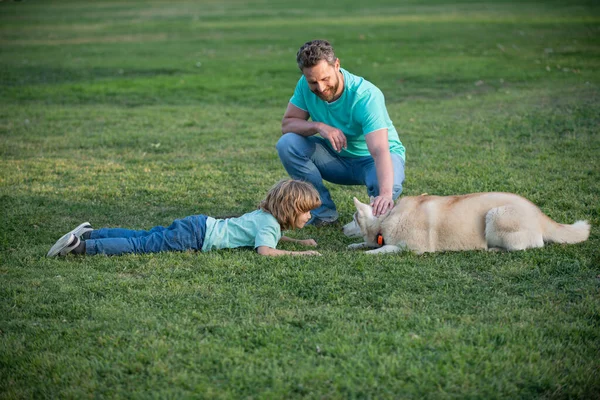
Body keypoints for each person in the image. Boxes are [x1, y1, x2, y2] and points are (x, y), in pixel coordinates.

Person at [276, 39, 406, 226]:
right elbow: (287, 124)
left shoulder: (366, 96)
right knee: (287, 144)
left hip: (373, 159)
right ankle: (322, 212)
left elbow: (379, 150)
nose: (320, 88)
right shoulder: (305, 85)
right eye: (313, 81)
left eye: (325, 79)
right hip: (336, 159)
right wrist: (319, 126)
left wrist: (385, 194)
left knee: (386, 188)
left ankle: (376, 212)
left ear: (337, 65)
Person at [47, 180, 322, 257]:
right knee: (142, 245)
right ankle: (80, 246)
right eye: (306, 211)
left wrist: (298, 240)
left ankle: (94, 234)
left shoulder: (267, 218)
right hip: (196, 237)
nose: (310, 216)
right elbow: (265, 250)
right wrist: (299, 253)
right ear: (289, 209)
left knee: (146, 235)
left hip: (199, 224)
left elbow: (266, 237)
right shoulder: (268, 225)